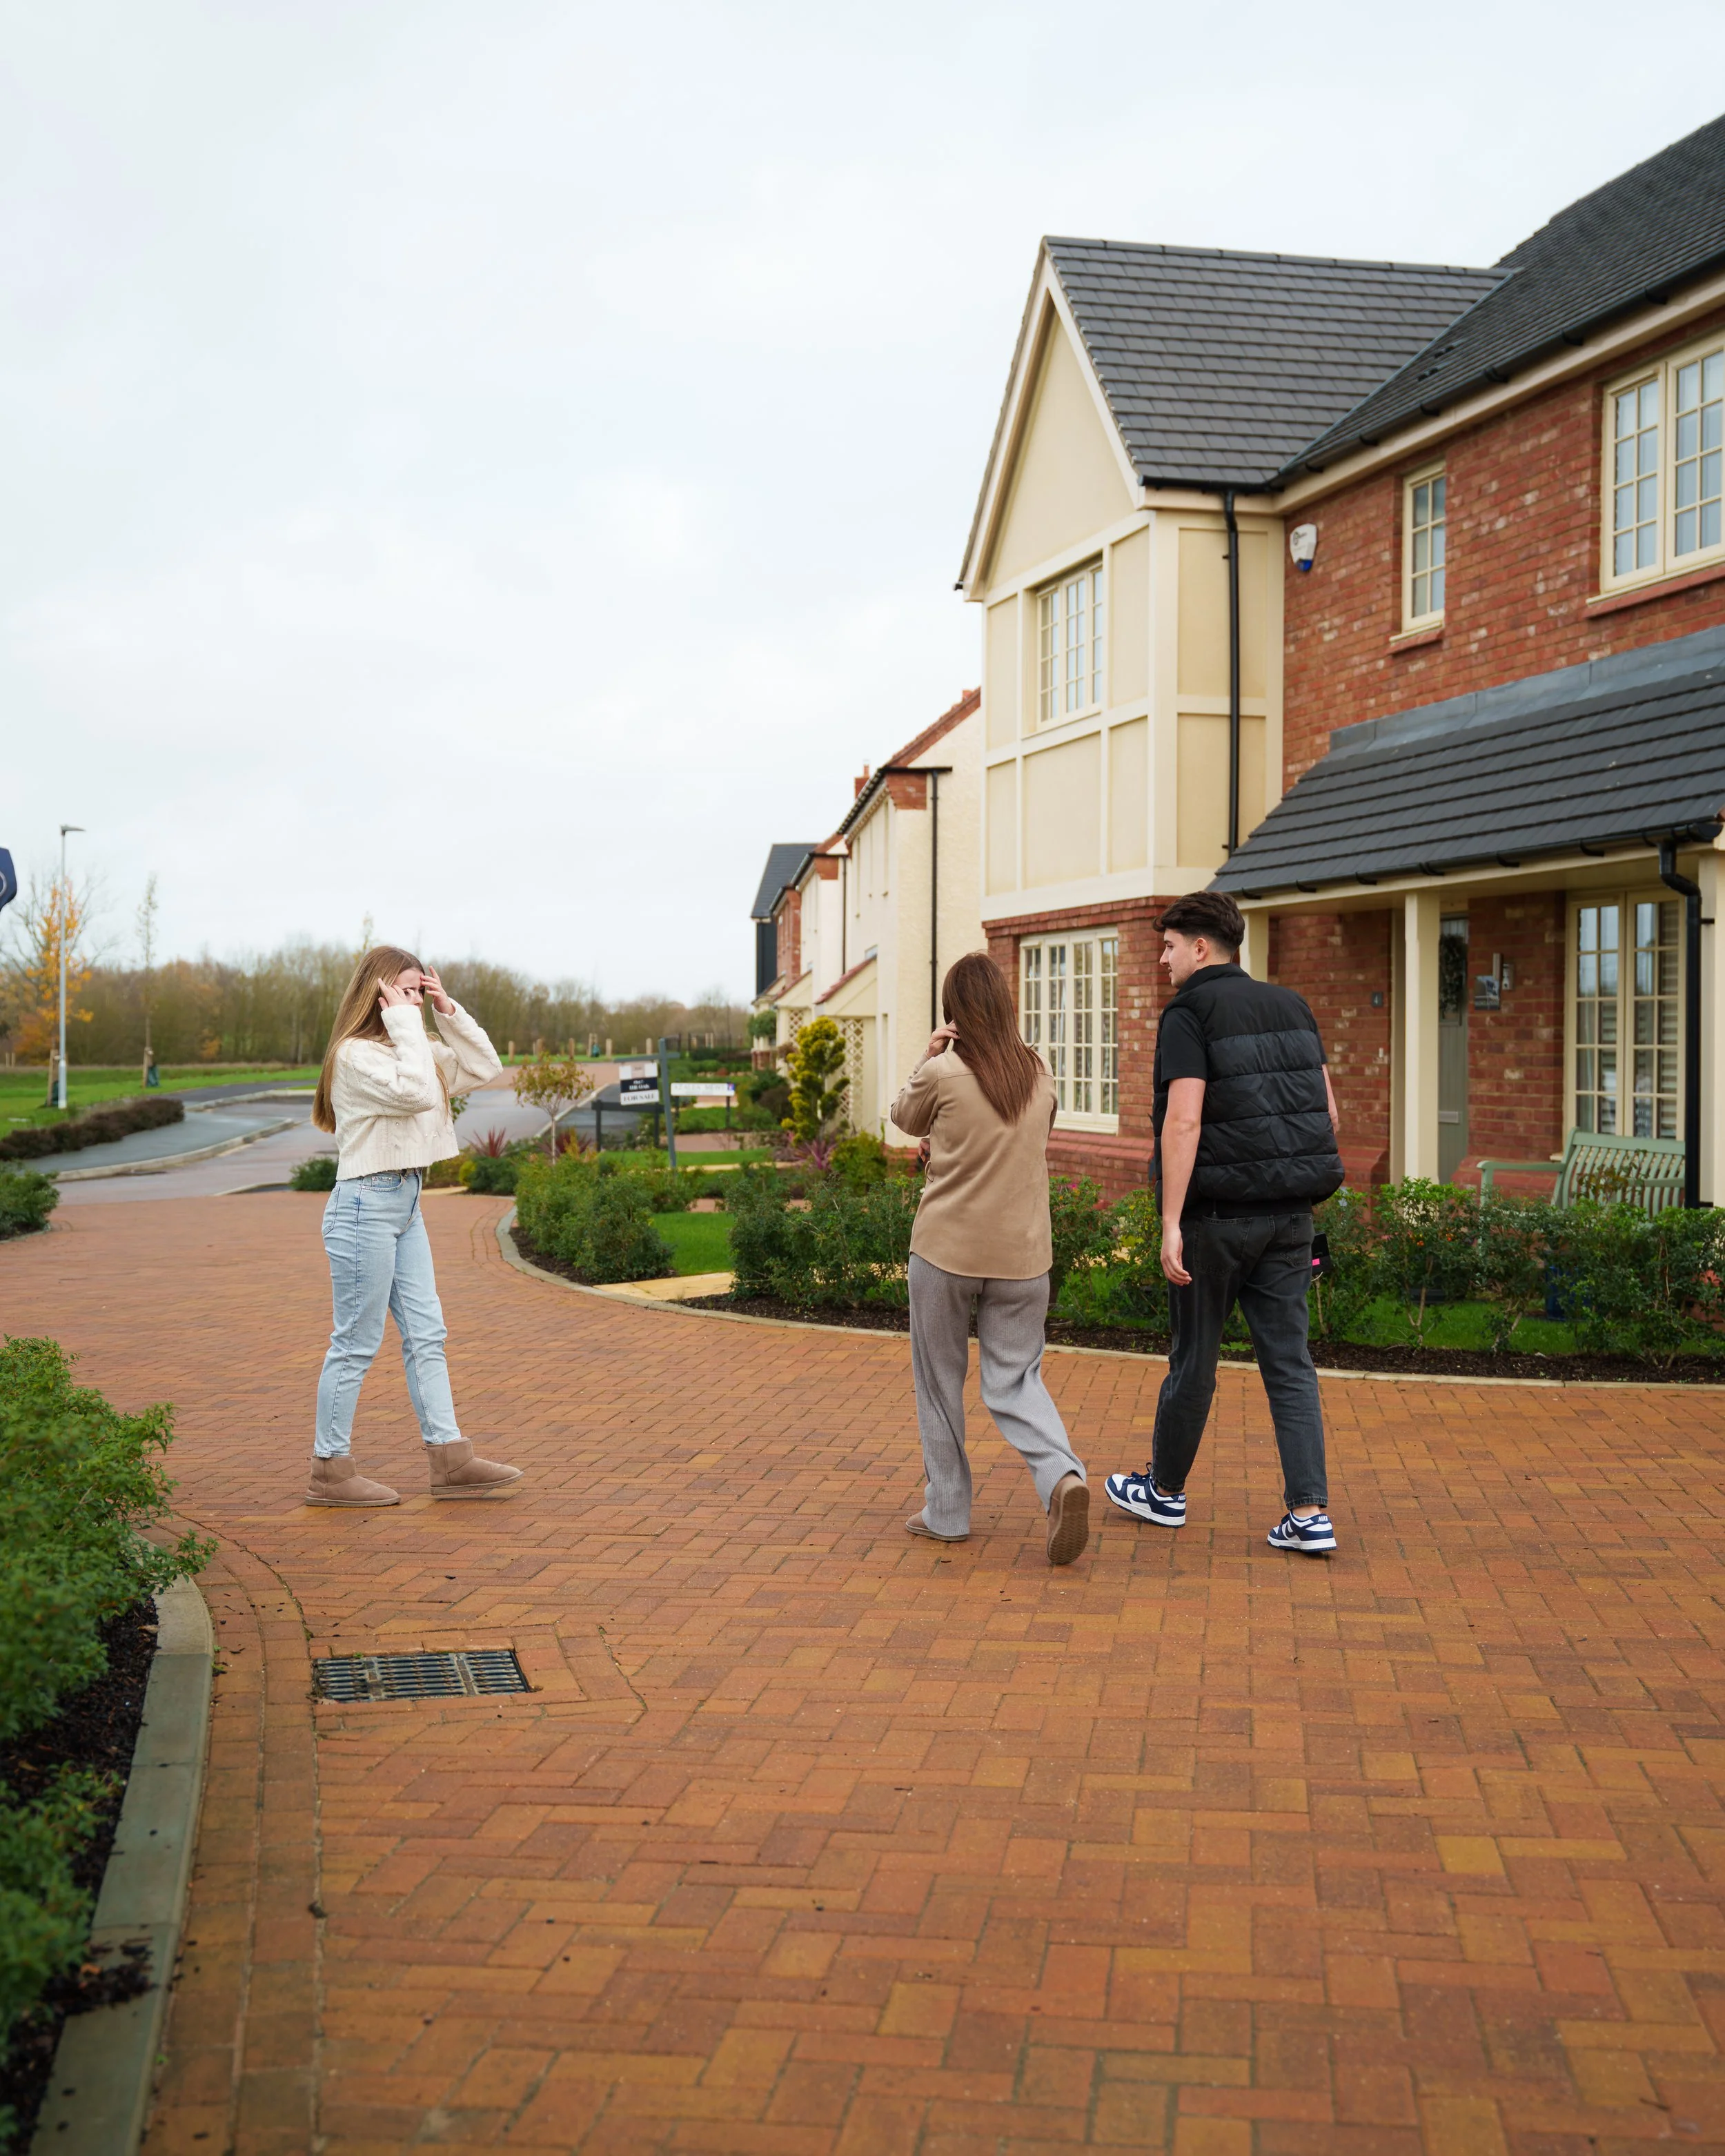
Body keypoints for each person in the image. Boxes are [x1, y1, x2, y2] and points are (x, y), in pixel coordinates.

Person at [1105, 893, 1344, 1556]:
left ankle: (1166, 1492)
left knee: (1195, 1360)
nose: (1163, 957)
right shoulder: (1293, 1006)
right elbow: (1327, 1112)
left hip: (1217, 1219)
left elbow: (1184, 1119)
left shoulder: (1189, 1013)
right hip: (1290, 1219)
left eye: (1170, 945)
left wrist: (1170, 1220)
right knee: (1290, 1364)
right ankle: (1309, 1511)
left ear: (1202, 948)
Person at [889, 951, 1090, 1567]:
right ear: (1005, 1005)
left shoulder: (944, 1071)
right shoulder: (1039, 1070)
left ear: (955, 1012)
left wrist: (928, 1055)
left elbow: (903, 1117)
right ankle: (1060, 1476)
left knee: (939, 1380)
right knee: (1015, 1379)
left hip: (946, 1251)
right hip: (1024, 1256)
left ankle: (947, 1511)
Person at [305, 945, 523, 1507]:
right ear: (375, 994)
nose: (414, 1001)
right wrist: (406, 1024)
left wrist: (448, 1011)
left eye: (419, 990)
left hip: (405, 1202)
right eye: (404, 991)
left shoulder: (416, 1045)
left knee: (428, 1334)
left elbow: (484, 1067)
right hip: (363, 1205)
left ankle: (449, 1458)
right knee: (355, 1342)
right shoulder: (354, 1055)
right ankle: (330, 1468)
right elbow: (415, 1093)